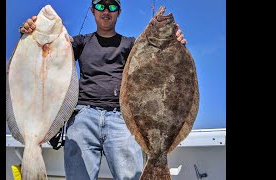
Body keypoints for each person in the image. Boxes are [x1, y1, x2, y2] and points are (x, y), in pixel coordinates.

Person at [20, 0, 187, 179]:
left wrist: (174, 43)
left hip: (122, 118)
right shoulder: (79, 42)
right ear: (92, 11)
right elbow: (48, 49)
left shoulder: (130, 45)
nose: (106, 11)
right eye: (101, 6)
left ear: (119, 12)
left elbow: (156, 61)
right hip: (83, 116)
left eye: (112, 7)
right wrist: (31, 32)